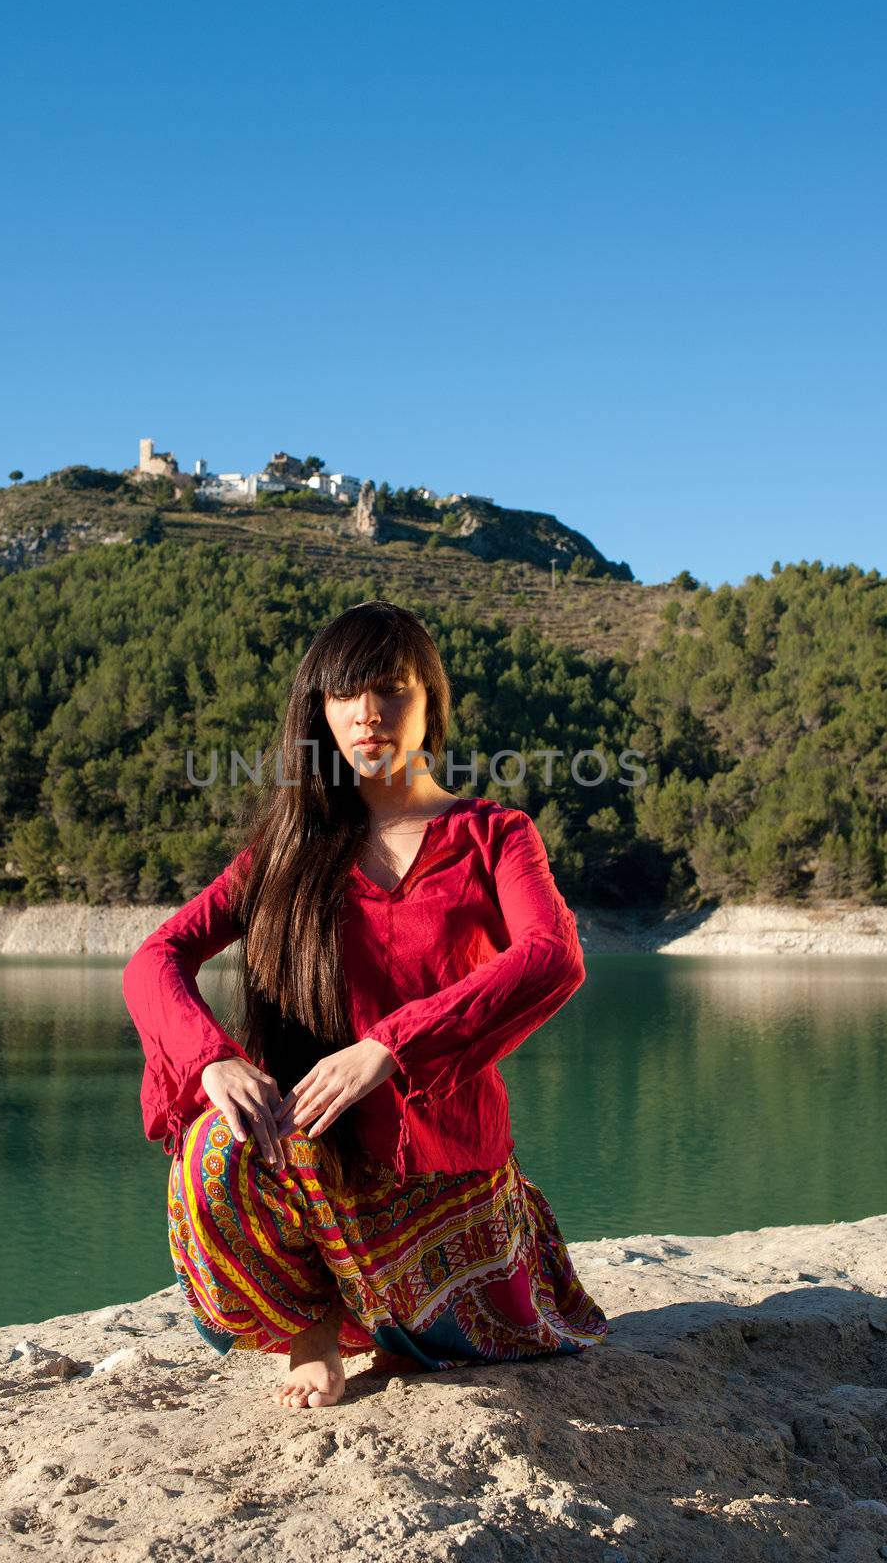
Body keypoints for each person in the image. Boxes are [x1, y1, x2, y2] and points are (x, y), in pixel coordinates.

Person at [122, 600, 609, 1409]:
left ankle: (390, 1313)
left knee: (465, 1336)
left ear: (430, 706)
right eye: (344, 694)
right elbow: (155, 958)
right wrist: (213, 1062)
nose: (367, 714)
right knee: (216, 1149)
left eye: (391, 689)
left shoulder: (496, 834)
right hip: (320, 1161)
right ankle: (313, 1328)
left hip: (445, 1185)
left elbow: (551, 957)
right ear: (318, 713)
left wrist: (391, 1045)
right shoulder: (286, 852)